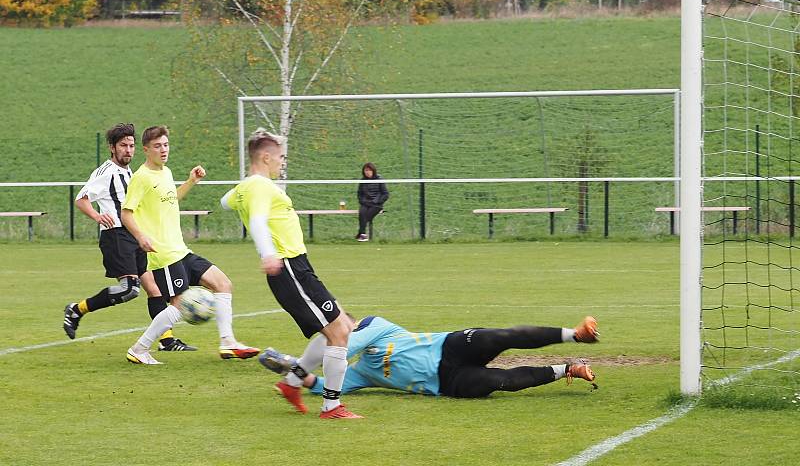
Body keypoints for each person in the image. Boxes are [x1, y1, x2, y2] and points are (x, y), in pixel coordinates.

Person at [221, 128, 362, 419]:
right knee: (338, 332)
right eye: (281, 157)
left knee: (343, 324)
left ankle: (293, 382)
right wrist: (267, 253)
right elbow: (258, 221)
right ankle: (332, 406)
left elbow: (225, 201)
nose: (282, 163)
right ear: (266, 156)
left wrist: (241, 194)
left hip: (297, 267)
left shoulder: (246, 187)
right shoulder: (259, 185)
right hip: (288, 266)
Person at [121, 125, 259, 365]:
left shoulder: (165, 172)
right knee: (178, 305)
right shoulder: (141, 177)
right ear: (146, 150)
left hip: (181, 250)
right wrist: (141, 237)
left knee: (223, 284)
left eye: (166, 145)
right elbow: (126, 213)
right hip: (162, 254)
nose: (163, 150)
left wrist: (191, 181)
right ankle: (139, 348)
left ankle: (228, 342)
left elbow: (170, 199)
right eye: (157, 146)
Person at [62, 123, 194, 352]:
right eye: (123, 145)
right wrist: (97, 215)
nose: (128, 150)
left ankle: (167, 340)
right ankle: (77, 309)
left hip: (134, 235)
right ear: (112, 148)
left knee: (155, 290)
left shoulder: (131, 173)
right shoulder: (105, 172)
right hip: (116, 236)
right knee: (129, 290)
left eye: (131, 145)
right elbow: (81, 199)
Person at [260, 315, 599, 398]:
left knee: (502, 336)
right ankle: (568, 368)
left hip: (449, 346)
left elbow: (344, 347)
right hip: (446, 382)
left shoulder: (377, 326)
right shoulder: (361, 374)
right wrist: (293, 370)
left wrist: (300, 361)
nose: (347, 330)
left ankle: (575, 334)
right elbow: (323, 387)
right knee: (501, 381)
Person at [355, 162, 388, 242]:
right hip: (365, 203)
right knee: (362, 213)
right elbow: (359, 193)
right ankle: (363, 235)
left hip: (376, 205)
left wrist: (378, 201)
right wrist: (362, 201)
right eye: (366, 170)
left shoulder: (379, 179)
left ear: (373, 170)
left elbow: (385, 194)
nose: (367, 172)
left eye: (369, 170)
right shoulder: (362, 181)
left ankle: (361, 234)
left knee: (366, 217)